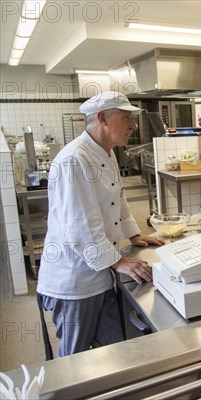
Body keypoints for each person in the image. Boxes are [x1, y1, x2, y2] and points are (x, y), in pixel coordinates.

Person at [37, 91, 164, 358]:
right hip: (75, 281)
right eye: (126, 118)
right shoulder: (75, 159)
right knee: (74, 359)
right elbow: (78, 226)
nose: (133, 126)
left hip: (100, 273)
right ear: (102, 118)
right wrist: (119, 262)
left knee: (115, 349)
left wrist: (133, 234)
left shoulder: (105, 152)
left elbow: (118, 198)